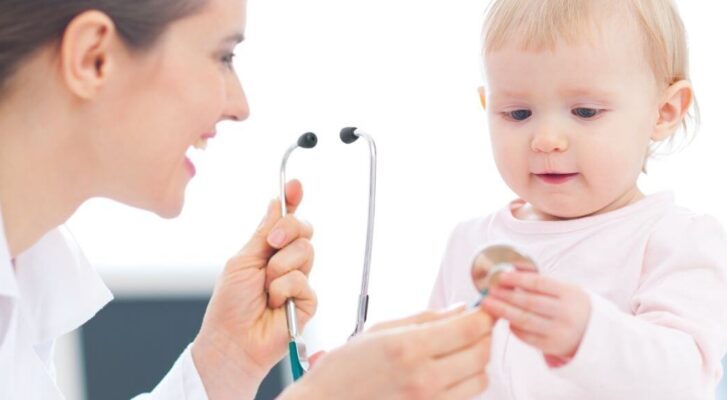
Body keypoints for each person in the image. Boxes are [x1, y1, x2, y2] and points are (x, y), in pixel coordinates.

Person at [0, 0, 495, 398]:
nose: (240, 106)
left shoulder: (30, 277)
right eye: (222, 56)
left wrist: (224, 363)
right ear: (94, 58)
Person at [429, 0, 727, 398]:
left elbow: (684, 379)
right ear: (488, 106)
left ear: (663, 112)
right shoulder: (470, 242)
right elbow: (435, 371)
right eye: (519, 114)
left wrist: (588, 333)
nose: (546, 140)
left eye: (585, 111)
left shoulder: (676, 240)